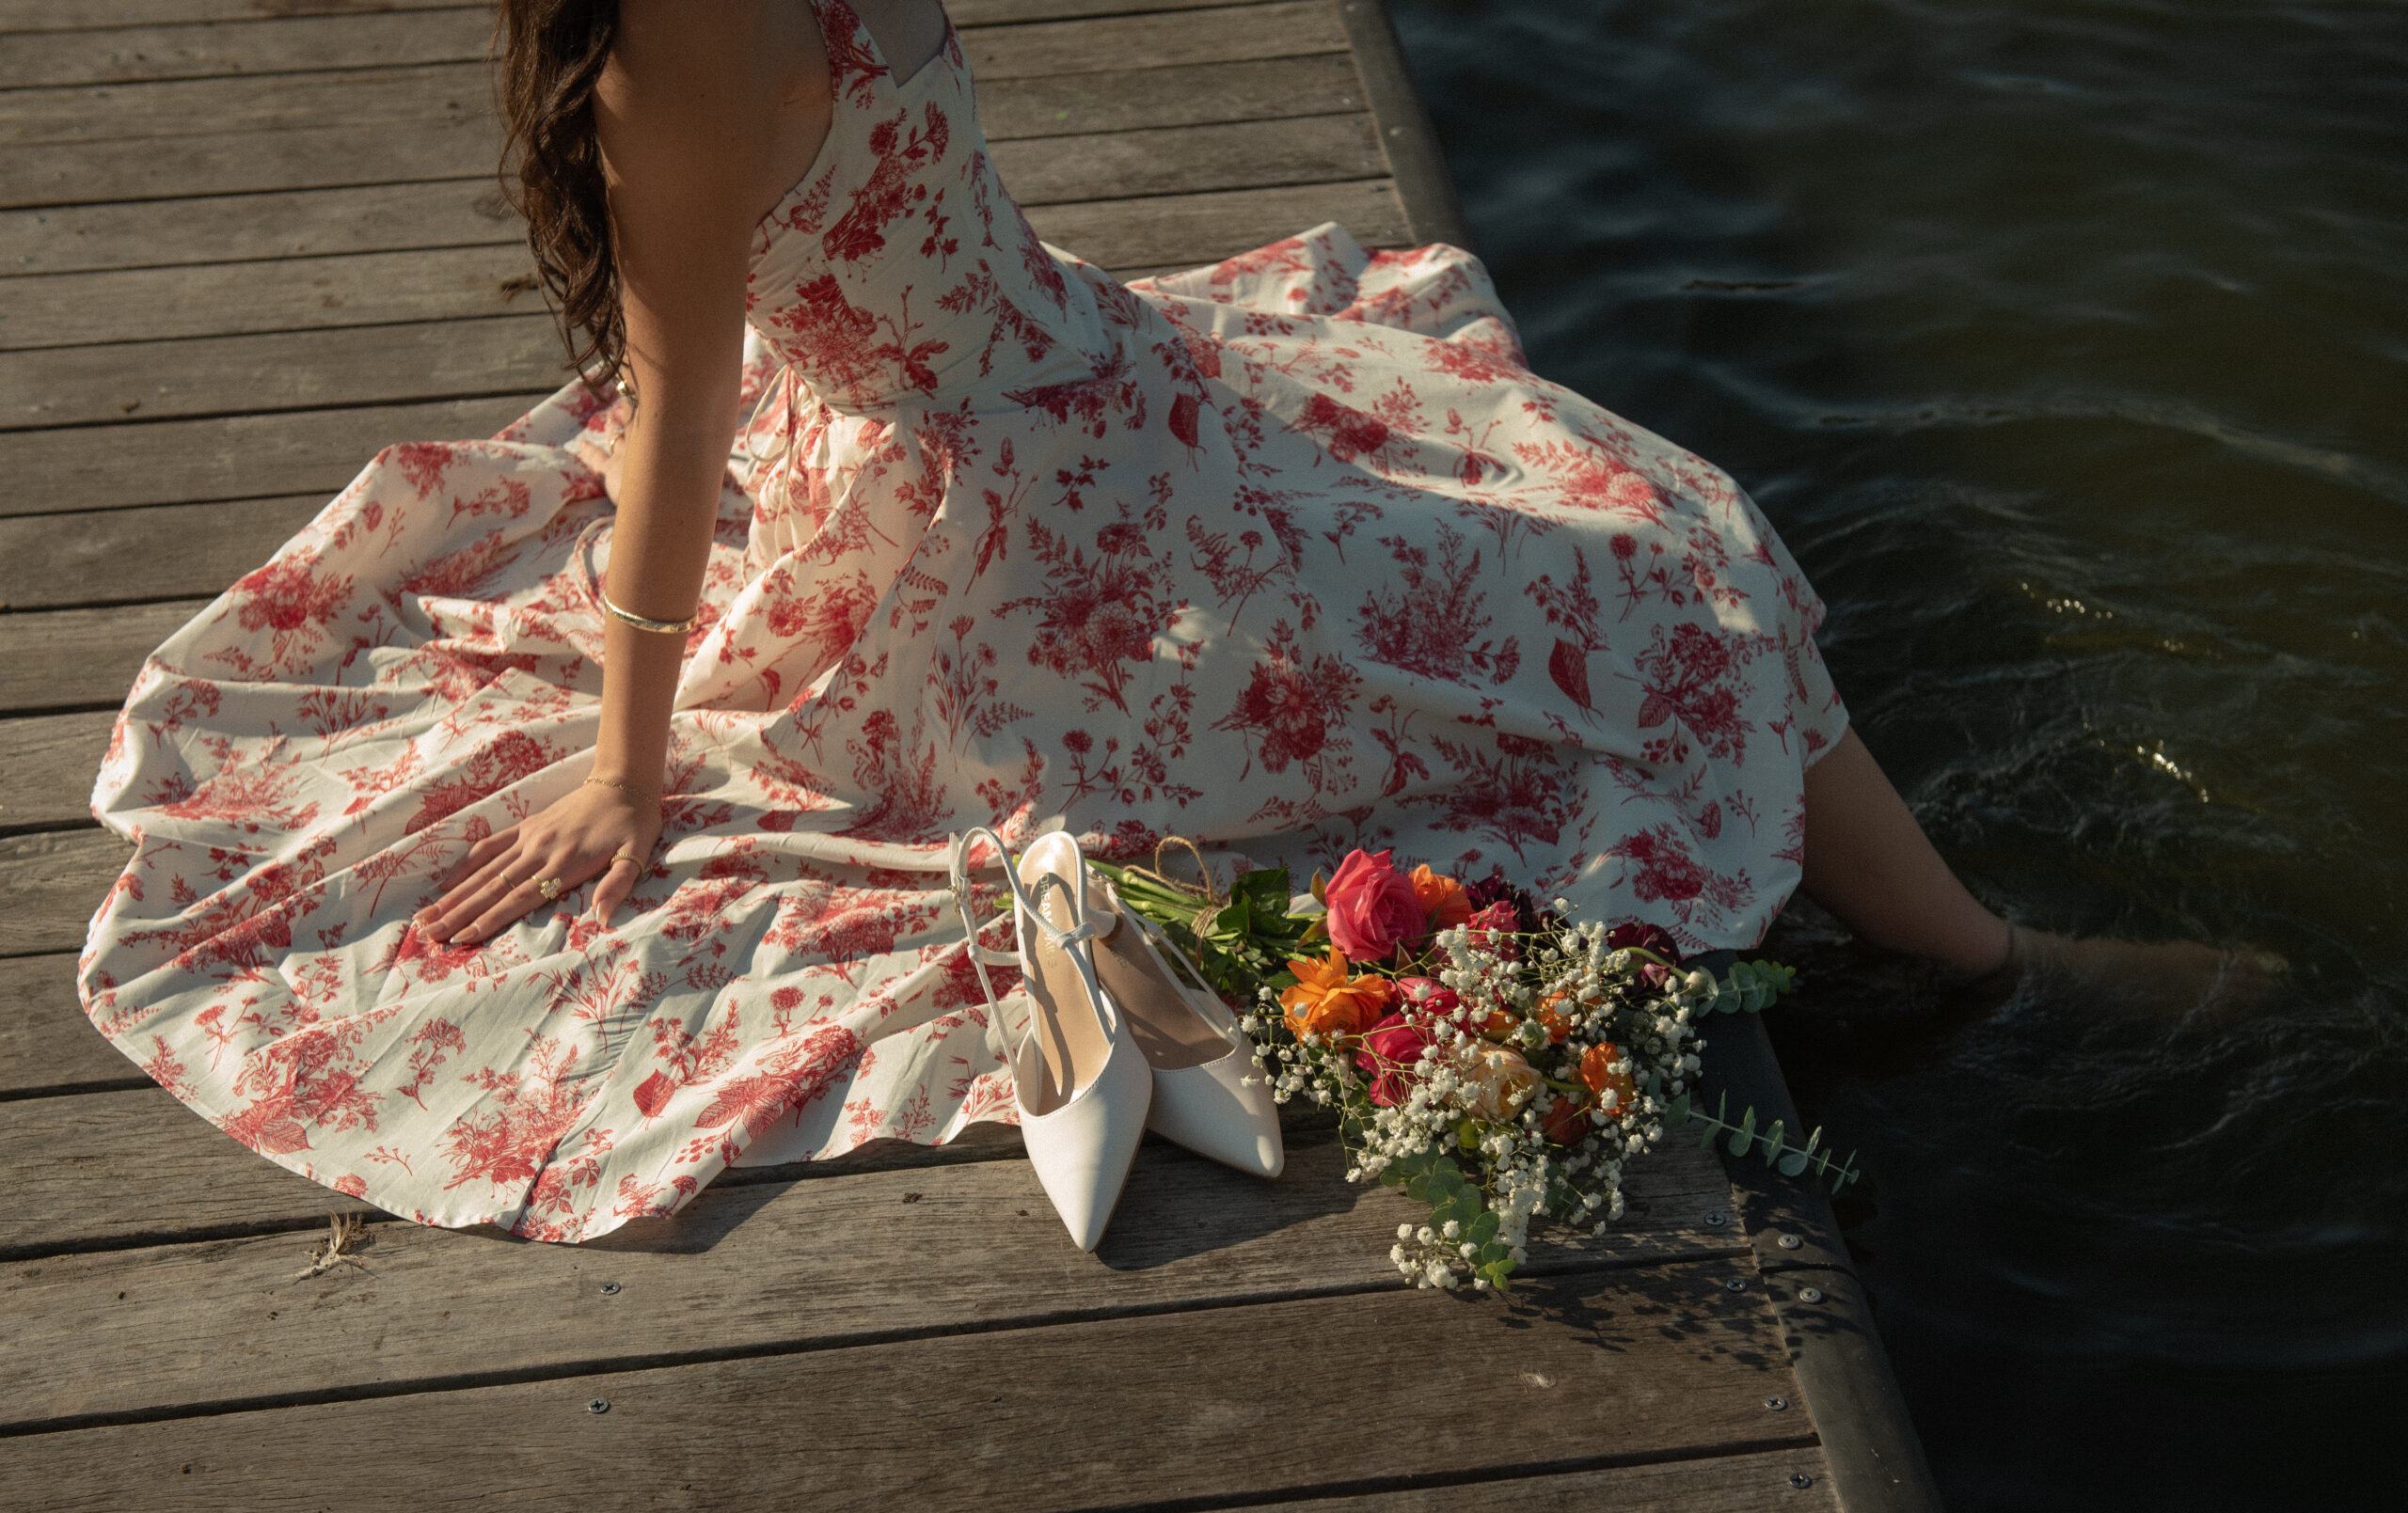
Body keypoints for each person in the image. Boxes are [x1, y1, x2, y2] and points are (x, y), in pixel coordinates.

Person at [76, 0, 2266, 1245]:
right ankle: (1982, 971)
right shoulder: (684, 38)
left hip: (1087, 382)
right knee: (1656, 588)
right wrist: (633, 761)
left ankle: (1938, 943)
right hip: (987, 545)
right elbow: (675, 413)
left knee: (1654, 513)